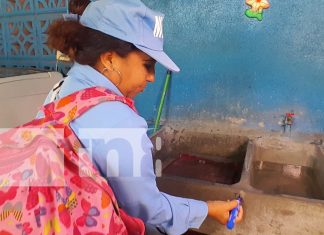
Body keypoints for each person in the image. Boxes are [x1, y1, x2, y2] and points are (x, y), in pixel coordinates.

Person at [40, 0, 243, 234]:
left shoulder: (60, 89)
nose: (152, 78)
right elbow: (146, 209)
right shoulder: (120, 121)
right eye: (147, 65)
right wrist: (207, 209)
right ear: (109, 59)